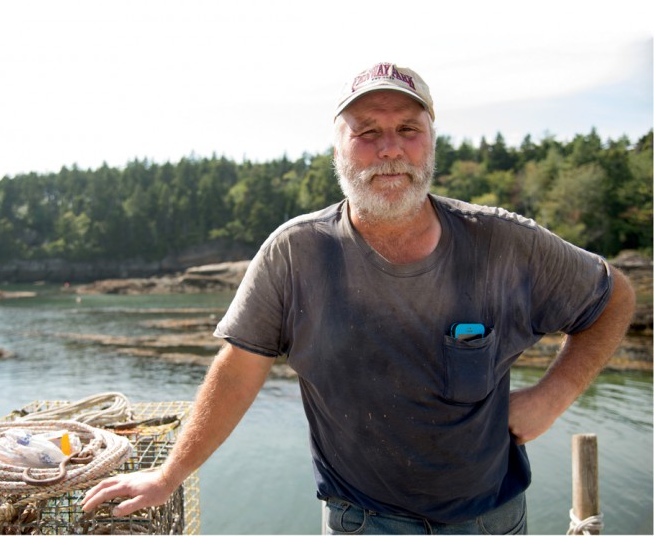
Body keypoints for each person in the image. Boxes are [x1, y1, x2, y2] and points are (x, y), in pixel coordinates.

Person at [82, 62, 635, 534]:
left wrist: (555, 394)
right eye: (367, 131)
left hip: (490, 516)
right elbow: (239, 370)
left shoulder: (502, 241)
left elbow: (614, 297)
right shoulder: (296, 253)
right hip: (362, 521)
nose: (389, 148)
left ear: (431, 142)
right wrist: (168, 475)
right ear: (339, 147)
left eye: (407, 129)